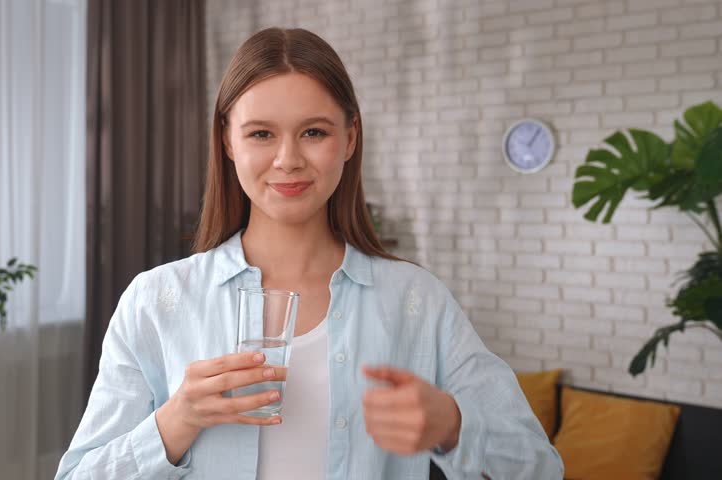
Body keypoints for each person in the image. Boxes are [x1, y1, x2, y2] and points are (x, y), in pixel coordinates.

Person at [55, 27, 563, 480]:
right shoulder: (157, 300)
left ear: (349, 139)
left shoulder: (417, 301)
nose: (288, 159)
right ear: (228, 141)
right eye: (261, 134)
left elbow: (540, 467)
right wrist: (177, 420)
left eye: (314, 132)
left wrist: (453, 425)